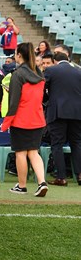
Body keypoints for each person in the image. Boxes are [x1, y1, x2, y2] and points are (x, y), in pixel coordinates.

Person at [1, 42, 48, 196]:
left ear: (19, 55)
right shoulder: (39, 74)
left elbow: (14, 102)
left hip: (21, 119)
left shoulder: (17, 74)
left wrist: (7, 121)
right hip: (37, 118)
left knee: (20, 153)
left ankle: (22, 186)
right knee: (34, 152)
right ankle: (42, 182)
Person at [45, 45, 81, 186]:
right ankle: (79, 174)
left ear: (55, 61)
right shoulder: (78, 72)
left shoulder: (51, 70)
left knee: (57, 144)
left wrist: (45, 100)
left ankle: (61, 177)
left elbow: (43, 88)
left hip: (58, 112)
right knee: (77, 143)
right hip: (77, 112)